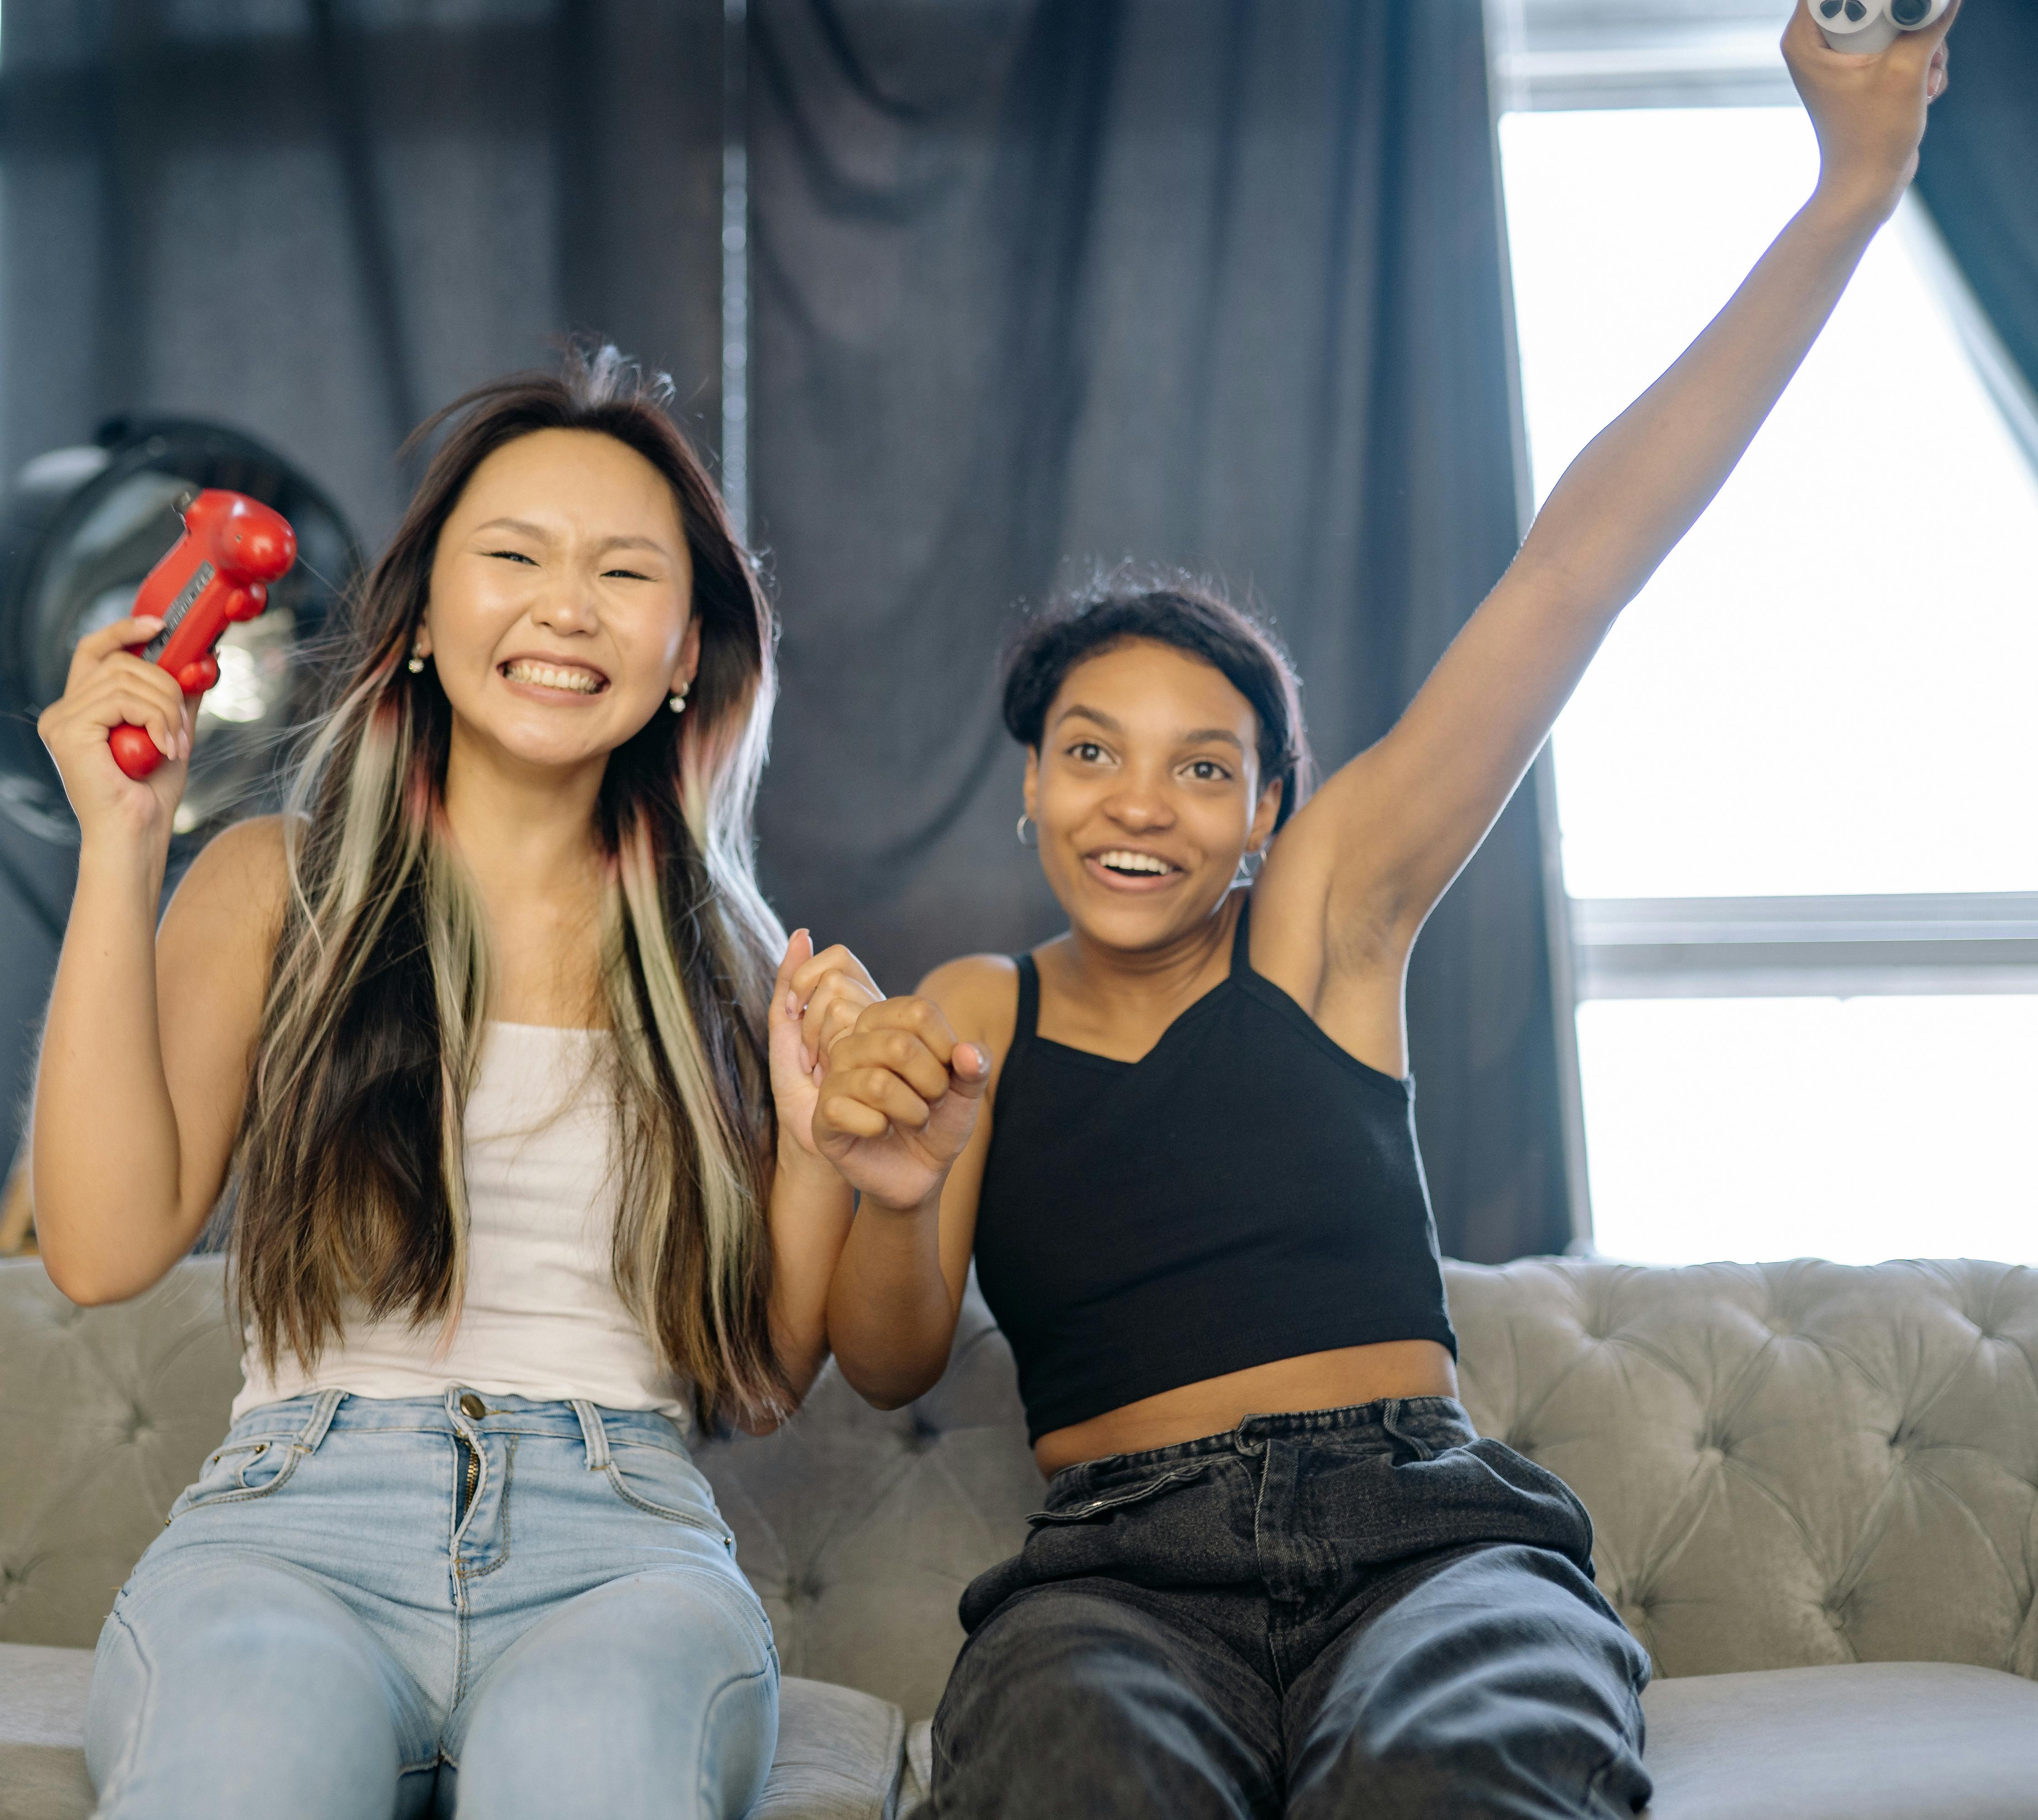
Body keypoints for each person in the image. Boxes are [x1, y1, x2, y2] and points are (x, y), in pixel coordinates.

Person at [806, 9, 1960, 1816]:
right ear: (1029, 782)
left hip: (1423, 1533)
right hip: (1112, 1568)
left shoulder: (1327, 927)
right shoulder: (977, 1003)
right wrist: (886, 1186)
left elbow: (1578, 566)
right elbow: (885, 1359)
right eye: (1094, 748)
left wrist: (1847, 192)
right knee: (1064, 1759)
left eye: (1207, 767)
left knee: (1454, 1762)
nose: (1141, 800)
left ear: (1270, 816)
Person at [29, 348, 879, 1820]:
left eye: (624, 572)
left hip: (622, 1547)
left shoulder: (736, 959)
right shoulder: (269, 887)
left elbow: (761, 1375)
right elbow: (101, 1251)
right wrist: (122, 844)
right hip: (289, 1530)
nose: (565, 605)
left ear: (688, 651)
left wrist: (815, 1151)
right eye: (514, 556)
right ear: (422, 617)